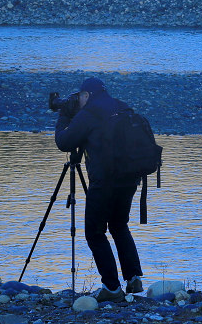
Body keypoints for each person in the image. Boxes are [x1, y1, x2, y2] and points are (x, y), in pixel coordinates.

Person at [55, 76, 144, 302]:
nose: (78, 101)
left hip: (104, 181)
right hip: (129, 179)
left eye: (79, 96)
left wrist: (64, 115)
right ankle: (134, 278)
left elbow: (64, 142)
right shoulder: (121, 106)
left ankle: (112, 288)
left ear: (86, 95)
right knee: (119, 225)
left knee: (94, 233)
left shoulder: (89, 113)